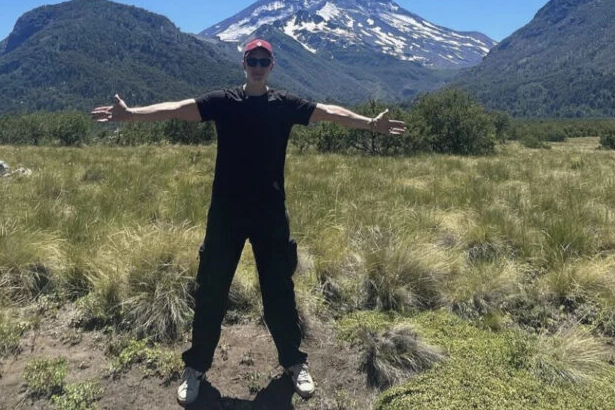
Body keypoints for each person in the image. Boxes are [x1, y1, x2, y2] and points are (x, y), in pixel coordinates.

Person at [91, 37, 406, 405]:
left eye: (263, 61)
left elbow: (330, 113)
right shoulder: (224, 102)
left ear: (271, 66)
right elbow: (177, 109)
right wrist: (131, 116)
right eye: (252, 60)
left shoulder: (284, 104)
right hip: (226, 213)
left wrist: (370, 123)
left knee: (279, 292)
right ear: (244, 64)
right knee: (211, 289)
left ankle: (294, 362)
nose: (257, 66)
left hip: (270, 213)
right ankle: (195, 368)